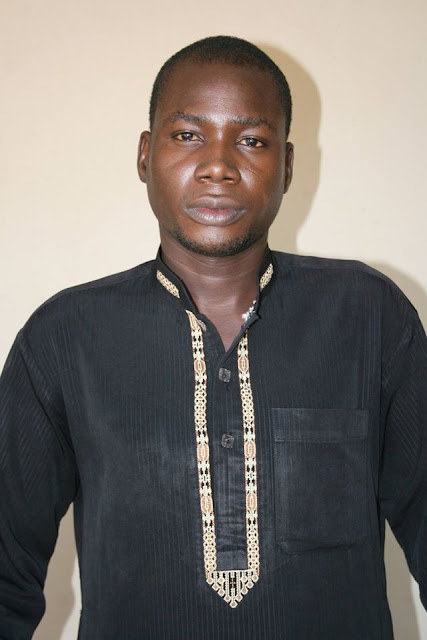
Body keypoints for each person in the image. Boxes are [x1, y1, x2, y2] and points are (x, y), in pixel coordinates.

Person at [0, 35, 426, 640]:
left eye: (251, 141)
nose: (219, 165)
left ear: (287, 165)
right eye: (187, 135)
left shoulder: (369, 316)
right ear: (145, 155)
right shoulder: (64, 338)